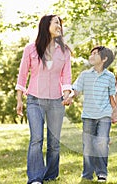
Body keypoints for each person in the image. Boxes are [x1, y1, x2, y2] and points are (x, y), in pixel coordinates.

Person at [16, 15, 72, 184]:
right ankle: (35, 178)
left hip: (56, 101)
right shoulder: (31, 49)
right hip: (34, 100)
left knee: (54, 142)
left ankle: (51, 175)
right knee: (36, 139)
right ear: (46, 25)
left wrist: (67, 93)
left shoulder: (65, 51)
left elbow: (67, 75)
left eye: (60, 24)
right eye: (56, 22)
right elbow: (22, 75)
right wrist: (19, 99)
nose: (59, 26)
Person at [66, 46, 117, 182]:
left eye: (95, 54)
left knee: (101, 142)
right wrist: (70, 96)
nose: (92, 55)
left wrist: (115, 112)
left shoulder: (110, 76)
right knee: (88, 145)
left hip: (104, 114)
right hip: (88, 115)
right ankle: (87, 173)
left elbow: (112, 96)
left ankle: (102, 172)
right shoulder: (84, 75)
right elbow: (75, 89)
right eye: (91, 53)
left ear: (104, 59)